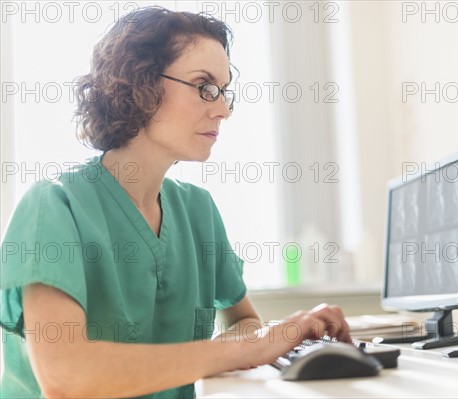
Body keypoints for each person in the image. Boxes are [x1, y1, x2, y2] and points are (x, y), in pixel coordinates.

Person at [0, 6, 350, 398]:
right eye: (204, 86)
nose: (223, 109)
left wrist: (272, 337)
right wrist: (245, 348)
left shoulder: (197, 211)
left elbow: (244, 323)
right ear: (139, 84)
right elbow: (66, 378)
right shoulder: (53, 206)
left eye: (223, 90)